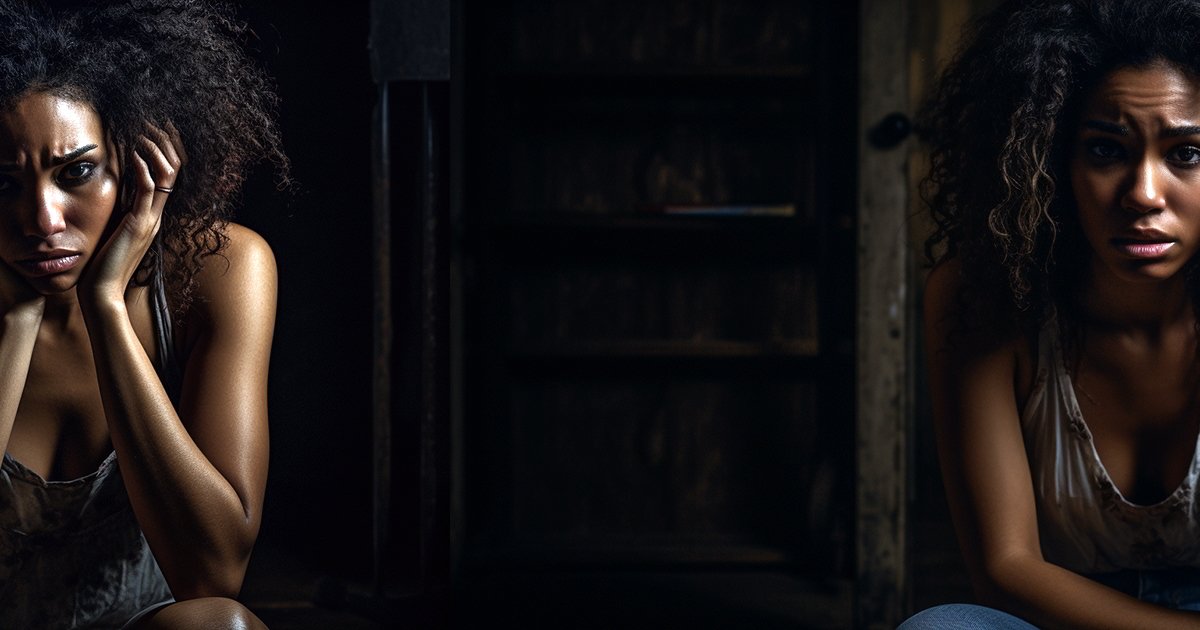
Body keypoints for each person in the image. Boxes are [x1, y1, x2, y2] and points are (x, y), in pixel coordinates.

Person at [901, 0, 1200, 627]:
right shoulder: (985, 298)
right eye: (1104, 150)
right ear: (1049, 161)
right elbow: (1006, 569)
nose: (1144, 193)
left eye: (1187, 154)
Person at [0, 0, 287, 627]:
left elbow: (212, 574)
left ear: (132, 166)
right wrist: (15, 322)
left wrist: (105, 306)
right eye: (3, 186)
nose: (42, 222)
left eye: (76, 172)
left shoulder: (218, 272)